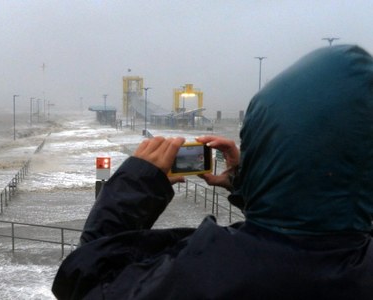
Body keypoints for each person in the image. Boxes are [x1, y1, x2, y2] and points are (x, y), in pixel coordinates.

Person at [52, 44, 373, 299]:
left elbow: (89, 283)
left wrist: (133, 189)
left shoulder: (203, 272)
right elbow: (319, 214)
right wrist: (249, 186)